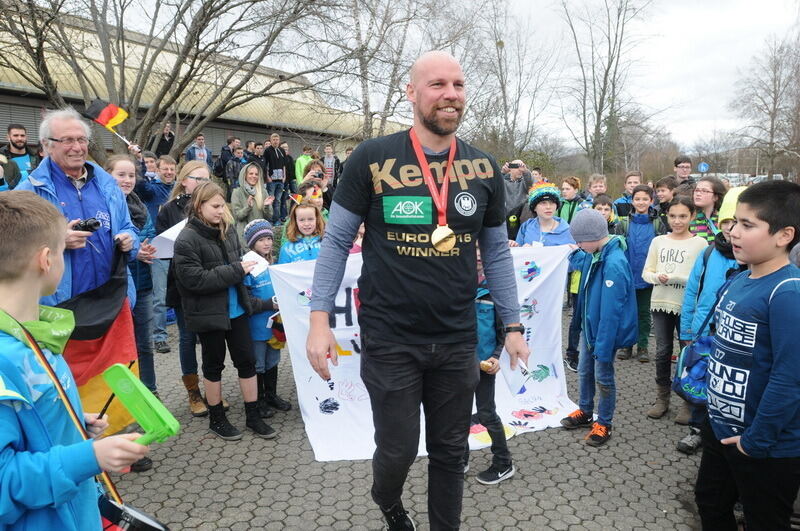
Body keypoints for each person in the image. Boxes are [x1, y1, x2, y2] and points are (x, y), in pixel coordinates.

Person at [305, 51, 527, 531]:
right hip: (391, 339)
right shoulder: (372, 157)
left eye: (459, 85)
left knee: (452, 450)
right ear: (411, 93)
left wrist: (512, 323)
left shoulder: (483, 167)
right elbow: (337, 241)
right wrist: (318, 320)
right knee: (399, 449)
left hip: (456, 337)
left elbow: (498, 254)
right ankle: (387, 502)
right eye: (437, 85)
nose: (451, 94)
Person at [0, 190, 150, 530]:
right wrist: (90, 456)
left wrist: (68, 420)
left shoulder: (35, 333)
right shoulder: (6, 354)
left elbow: (25, 422)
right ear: (46, 260)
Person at [695, 180, 800, 531]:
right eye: (734, 222)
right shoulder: (740, 278)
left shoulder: (788, 292)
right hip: (720, 429)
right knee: (710, 505)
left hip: (764, 447)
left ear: (784, 235)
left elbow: (789, 379)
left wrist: (755, 441)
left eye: (748, 225)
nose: (734, 232)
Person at [172, 181, 275, 440]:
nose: (221, 211)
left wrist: (249, 264)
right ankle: (217, 418)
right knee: (213, 366)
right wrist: (238, 269)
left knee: (247, 362)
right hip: (209, 314)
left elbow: (238, 257)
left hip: (237, 310)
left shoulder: (227, 230)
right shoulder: (186, 239)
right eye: (215, 206)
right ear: (199, 205)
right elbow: (195, 280)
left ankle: (253, 415)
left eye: (223, 206)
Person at [675, 187, 743, 456]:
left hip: (732, 336)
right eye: (727, 222)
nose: (731, 229)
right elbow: (692, 291)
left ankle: (723, 433)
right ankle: (696, 431)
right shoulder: (708, 252)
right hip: (703, 331)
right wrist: (687, 328)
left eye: (737, 223)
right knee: (701, 380)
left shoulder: (749, 259)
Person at [560, 208, 637, 447]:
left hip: (604, 335)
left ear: (593, 236)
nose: (579, 245)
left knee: (603, 377)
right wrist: (570, 253)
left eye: (580, 241)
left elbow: (611, 312)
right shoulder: (596, 253)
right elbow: (583, 259)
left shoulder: (614, 263)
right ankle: (585, 411)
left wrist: (603, 346)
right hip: (589, 329)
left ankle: (604, 421)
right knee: (584, 371)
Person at [641, 196, 707, 420]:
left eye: (682, 216)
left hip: (687, 307)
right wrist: (657, 277)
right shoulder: (658, 241)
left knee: (686, 352)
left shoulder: (700, 244)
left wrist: (678, 277)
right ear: (666, 217)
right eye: (672, 216)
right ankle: (662, 398)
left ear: (692, 217)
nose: (677, 221)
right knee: (662, 352)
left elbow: (701, 278)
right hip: (661, 303)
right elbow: (646, 273)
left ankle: (687, 401)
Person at [157, 161, 209, 417]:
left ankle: (213, 387)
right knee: (187, 339)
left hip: (210, 282)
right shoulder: (168, 209)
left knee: (211, 337)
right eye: (198, 179)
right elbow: (159, 246)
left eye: (206, 179)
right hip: (181, 283)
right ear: (184, 180)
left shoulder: (212, 205)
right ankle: (193, 392)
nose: (202, 184)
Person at [106, 155, 159, 401]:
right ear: (108, 175)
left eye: (131, 175)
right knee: (121, 345)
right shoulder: (105, 205)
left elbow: (149, 236)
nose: (127, 180)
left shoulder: (140, 206)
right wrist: (133, 251)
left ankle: (150, 391)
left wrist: (145, 249)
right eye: (121, 175)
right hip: (117, 287)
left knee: (144, 343)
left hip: (144, 283)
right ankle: (125, 397)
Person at [463, 248, 514, 485]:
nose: (479, 255)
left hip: (485, 366)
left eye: (483, 250)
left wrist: (495, 357)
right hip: (458, 364)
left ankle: (504, 462)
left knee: (486, 413)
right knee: (457, 414)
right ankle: (460, 458)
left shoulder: (496, 290)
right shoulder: (454, 285)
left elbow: (504, 331)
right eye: (473, 250)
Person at [242, 219, 291, 416]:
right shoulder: (248, 265)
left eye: (269, 238)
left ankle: (271, 395)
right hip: (257, 326)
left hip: (274, 324)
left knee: (273, 360)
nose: (267, 243)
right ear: (252, 243)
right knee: (258, 363)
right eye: (261, 239)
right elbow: (246, 300)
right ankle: (259, 400)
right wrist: (269, 304)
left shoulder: (273, 262)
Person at [615, 185, 665, 362]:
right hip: (627, 276)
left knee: (644, 314)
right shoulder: (623, 224)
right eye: (637, 199)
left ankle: (642, 346)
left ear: (651, 201)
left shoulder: (658, 223)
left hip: (648, 277)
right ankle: (626, 345)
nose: (641, 202)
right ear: (631, 201)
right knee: (627, 312)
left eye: (645, 199)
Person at [137, 155, 177, 355]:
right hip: (159, 247)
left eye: (172, 169)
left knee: (182, 291)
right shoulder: (153, 190)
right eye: (165, 169)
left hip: (180, 247)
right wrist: (139, 163)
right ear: (158, 170)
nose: (169, 172)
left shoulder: (180, 189)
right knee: (160, 296)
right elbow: (141, 186)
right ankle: (159, 336)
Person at [513, 183, 574, 247]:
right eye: (543, 203)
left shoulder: (568, 231)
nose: (548, 207)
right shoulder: (526, 226)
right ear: (534, 208)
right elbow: (518, 252)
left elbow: (575, 254)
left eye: (552, 203)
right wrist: (518, 248)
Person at [231, 162, 274, 247]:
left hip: (261, 235)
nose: (254, 176)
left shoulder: (263, 191)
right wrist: (248, 207)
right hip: (245, 237)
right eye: (251, 173)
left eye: (256, 174)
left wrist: (266, 206)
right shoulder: (237, 192)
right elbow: (237, 216)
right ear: (244, 175)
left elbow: (269, 216)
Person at [277, 199, 324, 264]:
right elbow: (282, 271)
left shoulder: (326, 243)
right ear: (295, 221)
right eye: (302, 220)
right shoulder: (287, 248)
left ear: (317, 219)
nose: (306, 224)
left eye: (310, 219)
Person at [502, 159, 533, 240]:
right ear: (510, 169)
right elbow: (494, 184)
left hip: (522, 215)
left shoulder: (524, 182)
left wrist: (526, 171)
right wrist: (502, 173)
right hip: (506, 215)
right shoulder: (503, 181)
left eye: (521, 166)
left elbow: (530, 184)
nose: (520, 169)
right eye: (516, 167)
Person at [689, 176, 726, 244]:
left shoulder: (723, 219)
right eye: (697, 190)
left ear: (716, 197)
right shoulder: (689, 218)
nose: (698, 194)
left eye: (704, 191)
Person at [264, 133, 289, 225]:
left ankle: (276, 220)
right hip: (271, 180)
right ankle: (270, 220)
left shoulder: (282, 150)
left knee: (278, 201)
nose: (275, 141)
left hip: (280, 179)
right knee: (271, 200)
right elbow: (265, 165)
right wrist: (267, 176)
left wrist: (284, 176)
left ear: (279, 140)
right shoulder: (267, 151)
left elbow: (284, 165)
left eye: (277, 139)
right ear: (270, 140)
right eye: (273, 139)